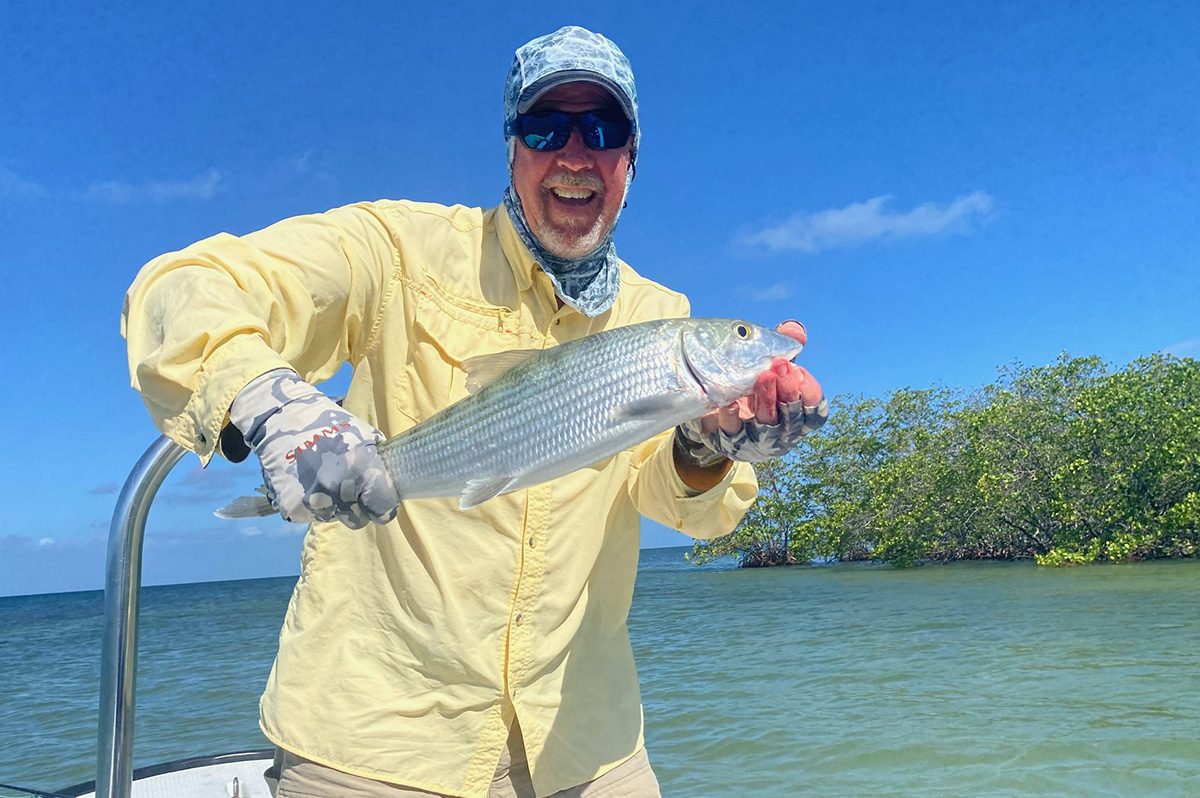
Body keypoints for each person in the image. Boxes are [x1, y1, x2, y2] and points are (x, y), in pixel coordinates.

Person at [122, 25, 827, 798]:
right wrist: (270, 400)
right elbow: (178, 288)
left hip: (588, 746)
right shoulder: (396, 249)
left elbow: (682, 506)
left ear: (631, 158)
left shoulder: (663, 315)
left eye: (602, 129)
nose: (573, 153)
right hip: (375, 745)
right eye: (544, 126)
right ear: (511, 147)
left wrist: (707, 442)